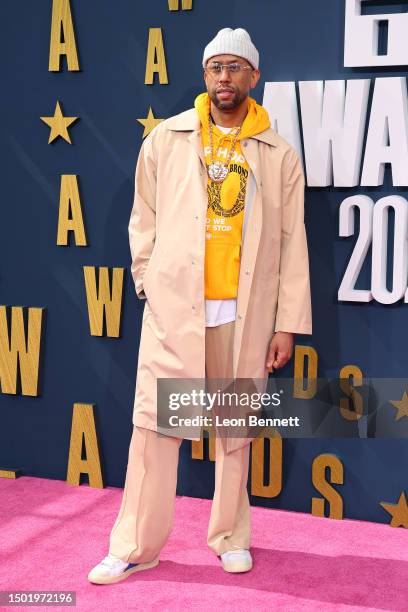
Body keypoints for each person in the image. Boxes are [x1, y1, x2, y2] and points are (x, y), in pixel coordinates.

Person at [88, 27, 312, 585]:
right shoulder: (168, 139)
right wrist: (147, 281)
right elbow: (145, 219)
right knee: (156, 430)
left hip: (244, 314)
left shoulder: (278, 155)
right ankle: (136, 544)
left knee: (234, 429)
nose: (224, 78)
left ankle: (231, 536)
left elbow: (292, 244)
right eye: (216, 68)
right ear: (205, 76)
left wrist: (286, 325)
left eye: (235, 68)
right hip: (176, 312)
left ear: (253, 77)